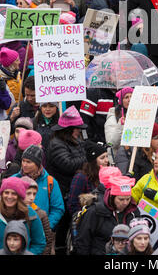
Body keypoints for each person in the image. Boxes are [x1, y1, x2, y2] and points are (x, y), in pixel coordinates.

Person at [46, 106, 88, 254]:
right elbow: (68, 165)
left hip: (72, 189)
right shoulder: (56, 143)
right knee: (62, 227)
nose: (79, 131)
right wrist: (88, 158)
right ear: (69, 129)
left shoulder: (75, 141)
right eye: (77, 128)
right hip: (62, 191)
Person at [75, 175, 139, 255]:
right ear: (112, 197)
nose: (125, 203)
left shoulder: (133, 212)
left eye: (128, 199)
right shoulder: (96, 211)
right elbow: (83, 240)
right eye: (121, 199)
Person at [0, 177, 46, 254]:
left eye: (14, 193)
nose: (9, 196)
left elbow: (39, 243)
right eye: (6, 192)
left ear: (20, 196)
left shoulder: (30, 214)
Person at [67, 140, 109, 216]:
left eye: (107, 156)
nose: (107, 160)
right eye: (102, 158)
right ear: (94, 161)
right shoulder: (81, 178)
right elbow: (73, 204)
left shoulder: (109, 175)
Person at [21, 175, 54, 255]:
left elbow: (47, 241)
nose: (32, 198)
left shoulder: (41, 214)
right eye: (28, 193)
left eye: (34, 194)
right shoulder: (10, 211)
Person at [104, 87, 133, 155]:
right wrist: (120, 125)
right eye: (126, 97)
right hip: (118, 158)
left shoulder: (138, 115)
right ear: (120, 101)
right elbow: (111, 143)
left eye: (132, 96)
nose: (130, 99)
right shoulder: (113, 117)